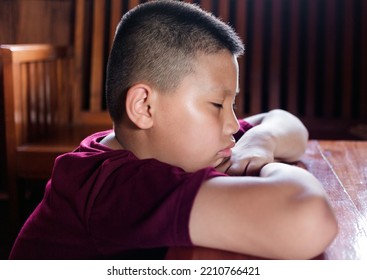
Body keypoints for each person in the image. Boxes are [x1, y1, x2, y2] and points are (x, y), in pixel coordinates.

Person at [9, 0, 337, 260]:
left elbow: (287, 123)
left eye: (231, 104)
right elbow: (310, 219)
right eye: (217, 105)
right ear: (144, 108)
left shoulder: (156, 140)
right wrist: (268, 166)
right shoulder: (115, 188)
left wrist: (260, 143)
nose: (234, 125)